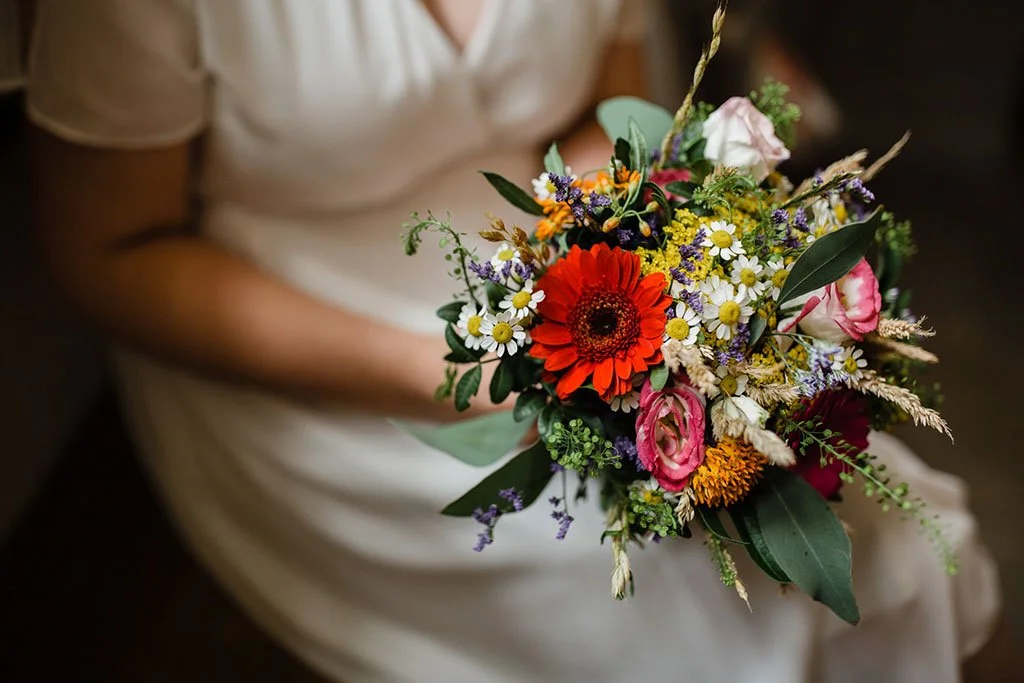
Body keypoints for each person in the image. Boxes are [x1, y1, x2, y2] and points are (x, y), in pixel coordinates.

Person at [25, 1, 1006, 681]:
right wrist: (446, 373)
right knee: (653, 612)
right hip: (290, 322)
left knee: (876, 547)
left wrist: (662, 278)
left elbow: (596, 124)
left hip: (544, 255)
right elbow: (110, 248)